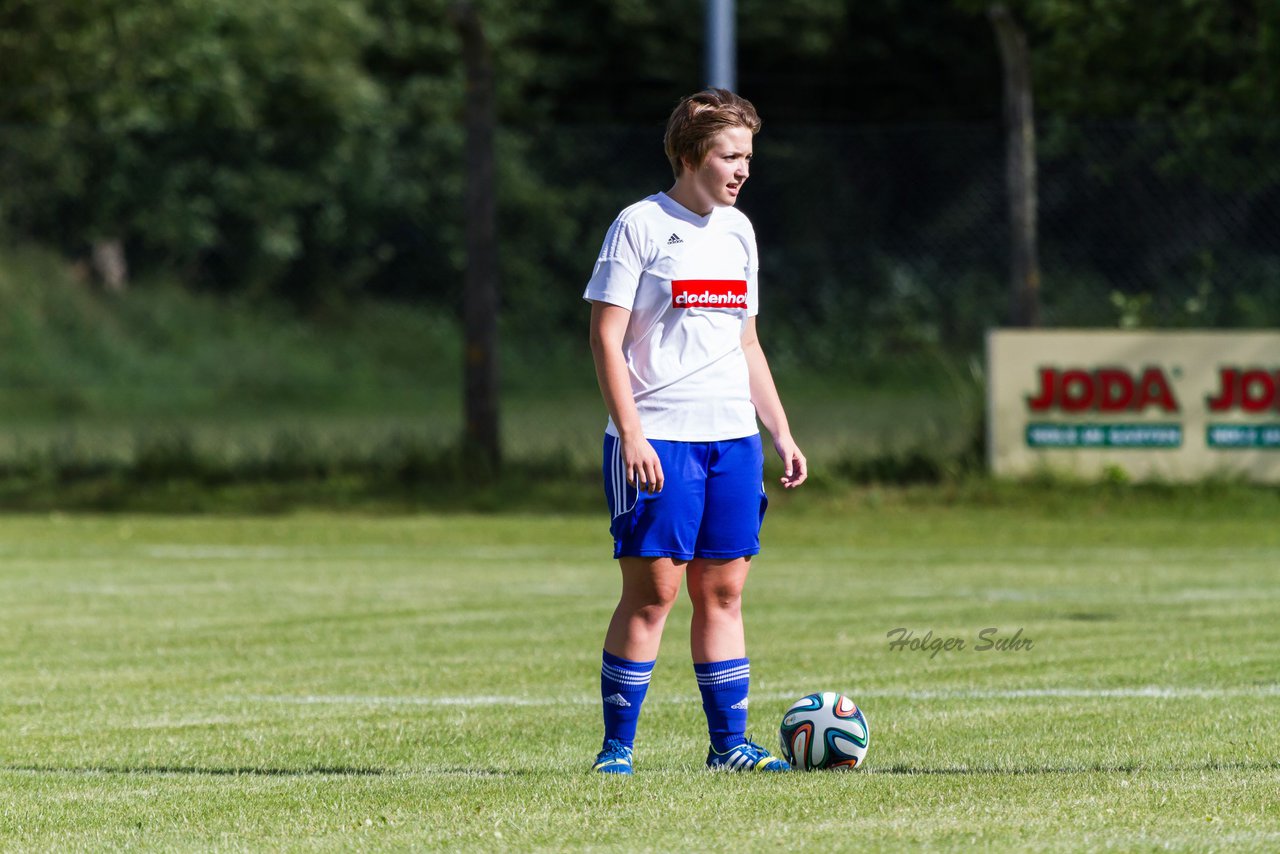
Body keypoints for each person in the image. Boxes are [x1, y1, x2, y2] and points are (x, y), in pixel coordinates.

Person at [582, 88, 807, 775]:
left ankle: (729, 747)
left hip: (731, 440)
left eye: (747, 156)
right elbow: (605, 336)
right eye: (728, 155)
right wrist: (633, 433)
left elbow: (746, 343)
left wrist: (780, 430)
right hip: (658, 441)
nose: (742, 169)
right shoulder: (640, 226)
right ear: (689, 156)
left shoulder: (739, 231)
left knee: (724, 591)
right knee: (654, 593)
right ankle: (616, 749)